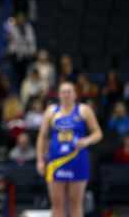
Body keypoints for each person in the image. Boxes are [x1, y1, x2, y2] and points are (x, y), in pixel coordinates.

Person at [35, 82, 103, 217]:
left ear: (75, 94)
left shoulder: (84, 110)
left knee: (75, 203)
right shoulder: (51, 111)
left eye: (69, 91)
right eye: (63, 92)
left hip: (78, 160)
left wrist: (87, 140)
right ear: (58, 95)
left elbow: (98, 133)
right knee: (57, 204)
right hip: (55, 162)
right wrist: (40, 160)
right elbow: (42, 138)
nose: (66, 94)